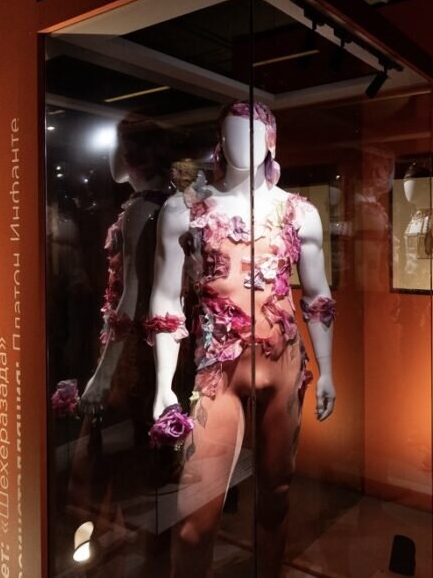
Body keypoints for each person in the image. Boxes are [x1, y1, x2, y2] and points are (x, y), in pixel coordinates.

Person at [147, 101, 336, 577]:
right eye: (232, 133)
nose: (242, 144)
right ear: (218, 140)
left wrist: (327, 370)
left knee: (276, 495)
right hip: (218, 373)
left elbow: (317, 297)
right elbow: (166, 297)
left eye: (253, 134)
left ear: (271, 141)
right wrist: (163, 384)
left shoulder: (299, 213)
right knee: (195, 516)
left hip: (283, 364)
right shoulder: (184, 210)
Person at [66, 119, 173, 572]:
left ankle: (101, 554)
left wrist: (103, 372)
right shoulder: (171, 204)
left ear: (131, 157)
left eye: (117, 147)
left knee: (100, 459)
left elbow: (131, 295)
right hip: (160, 345)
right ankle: (150, 559)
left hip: (132, 352)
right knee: (149, 462)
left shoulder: (141, 210)